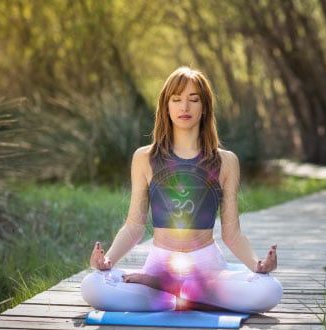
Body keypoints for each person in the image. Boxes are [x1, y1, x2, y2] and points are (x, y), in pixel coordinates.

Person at [81, 66, 282, 313]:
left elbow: (232, 234)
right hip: (160, 263)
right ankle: (187, 291)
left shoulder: (226, 161)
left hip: (207, 266)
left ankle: (171, 289)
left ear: (205, 107)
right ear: (166, 106)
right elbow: (134, 227)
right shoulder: (144, 157)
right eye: (176, 100)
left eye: (193, 100)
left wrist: (257, 265)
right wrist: (108, 261)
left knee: (270, 290)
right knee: (92, 285)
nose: (184, 107)